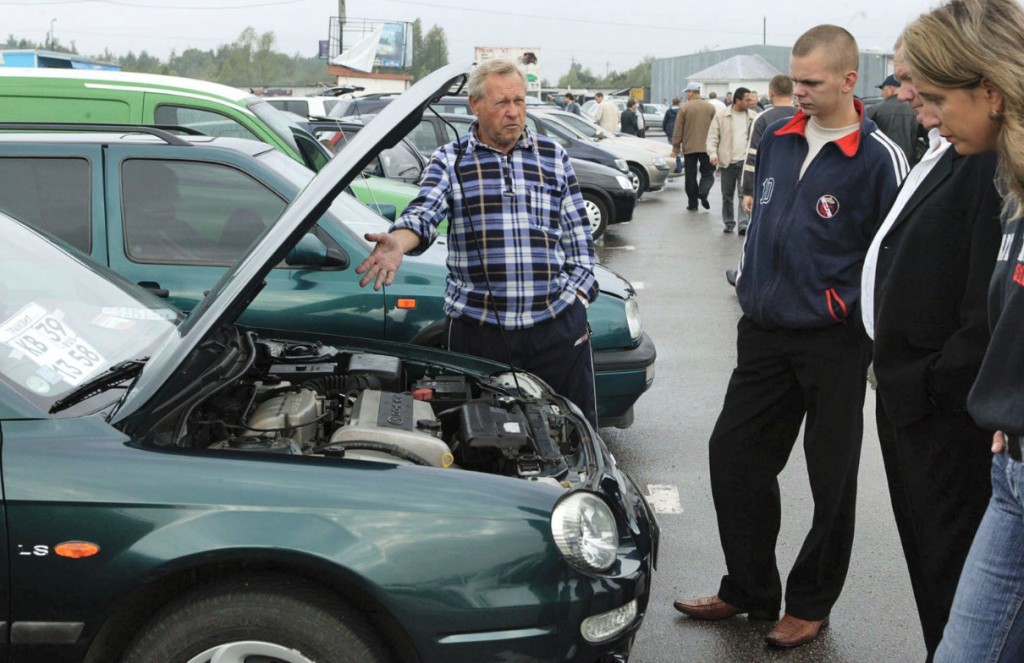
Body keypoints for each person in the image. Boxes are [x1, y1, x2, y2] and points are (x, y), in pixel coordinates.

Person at [672, 24, 907, 650]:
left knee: (832, 480)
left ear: (848, 80)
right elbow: (762, 219)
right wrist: (751, 283)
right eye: (794, 80)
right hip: (765, 332)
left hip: (834, 341)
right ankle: (749, 588)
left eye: (811, 83)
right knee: (735, 457)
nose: (797, 93)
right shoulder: (774, 134)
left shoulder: (880, 158)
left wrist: (845, 307)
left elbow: (895, 258)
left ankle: (809, 603)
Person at [354, 58, 600, 427]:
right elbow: (424, 213)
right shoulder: (450, 161)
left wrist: (578, 298)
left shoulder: (553, 156)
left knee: (573, 432)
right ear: (475, 104)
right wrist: (398, 243)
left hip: (555, 328)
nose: (514, 113)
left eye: (519, 101)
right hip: (480, 335)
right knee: (484, 441)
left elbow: (578, 236)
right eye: (502, 103)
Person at [862, 37, 1001, 661]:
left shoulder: (985, 162)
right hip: (914, 396)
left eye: (920, 81)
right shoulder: (948, 148)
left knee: (956, 576)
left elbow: (986, 310)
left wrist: (929, 386)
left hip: (944, 411)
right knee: (934, 565)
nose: (908, 93)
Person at [897, 1, 1024, 660]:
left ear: (993, 92)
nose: (930, 111)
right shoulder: (1013, 191)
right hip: (1011, 472)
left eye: (939, 96)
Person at [706, 86, 759, 233]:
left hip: (746, 162)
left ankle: (743, 224)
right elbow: (712, 137)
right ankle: (729, 222)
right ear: (737, 100)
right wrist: (713, 153)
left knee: (744, 194)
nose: (750, 102)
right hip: (727, 162)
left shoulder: (753, 117)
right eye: (747, 99)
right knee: (727, 196)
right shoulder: (721, 115)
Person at [671, 82, 717, 212]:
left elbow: (678, 129)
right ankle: (703, 191)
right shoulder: (710, 108)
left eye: (687, 92)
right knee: (708, 173)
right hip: (707, 147)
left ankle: (693, 203)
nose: (686, 94)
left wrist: (676, 147)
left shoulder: (684, 108)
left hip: (689, 147)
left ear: (691, 92)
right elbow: (715, 128)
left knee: (690, 175)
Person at [867, 74, 926, 167]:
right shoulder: (916, 110)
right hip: (910, 165)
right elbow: (929, 138)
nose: (882, 94)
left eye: (883, 89)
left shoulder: (873, 110)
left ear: (891, 89)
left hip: (881, 165)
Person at [663, 97, 683, 174]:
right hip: (680, 131)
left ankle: (673, 165)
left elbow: (665, 122)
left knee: (672, 148)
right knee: (680, 149)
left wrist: (666, 130)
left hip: (670, 131)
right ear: (679, 103)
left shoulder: (668, 111)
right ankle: (679, 165)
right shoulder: (681, 111)